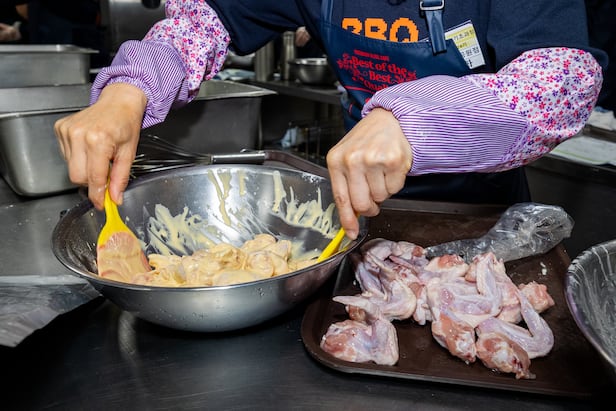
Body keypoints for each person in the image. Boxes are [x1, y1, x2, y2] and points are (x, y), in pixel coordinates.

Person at [54, 0, 606, 241]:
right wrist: (129, 90)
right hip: (356, 212)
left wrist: (415, 119)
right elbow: (204, 20)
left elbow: (564, 79)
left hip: (481, 217)